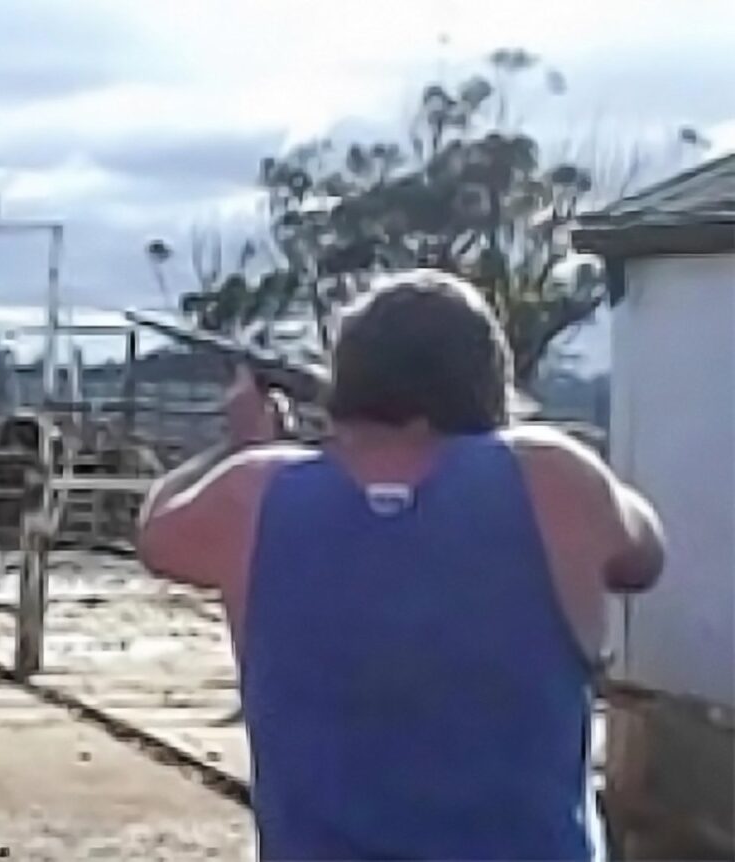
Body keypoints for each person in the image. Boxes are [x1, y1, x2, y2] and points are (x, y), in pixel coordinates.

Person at [136, 270, 665, 861]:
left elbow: (155, 527)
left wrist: (241, 444)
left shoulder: (253, 490)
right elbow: (643, 554)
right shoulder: (554, 475)